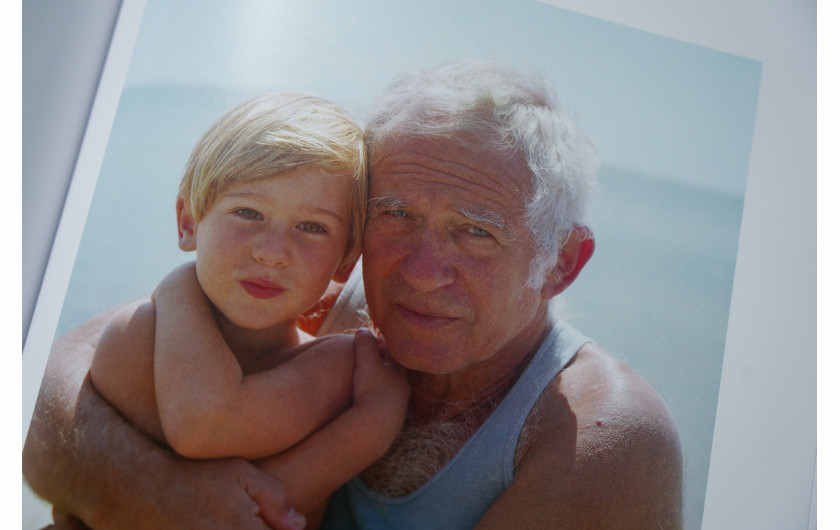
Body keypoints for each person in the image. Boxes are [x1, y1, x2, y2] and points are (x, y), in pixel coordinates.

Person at [24, 61, 683, 529]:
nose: (422, 271)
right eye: (394, 216)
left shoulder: (603, 435)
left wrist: (140, 499)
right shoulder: (349, 307)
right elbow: (48, 381)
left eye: (475, 233)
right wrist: (147, 489)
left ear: (562, 262)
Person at [33, 92, 411, 529]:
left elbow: (238, 489)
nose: (272, 252)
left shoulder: (337, 365)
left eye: (312, 227)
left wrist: (372, 424)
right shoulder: (137, 332)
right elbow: (204, 427)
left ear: (345, 261)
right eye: (248, 212)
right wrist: (372, 426)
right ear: (188, 223)